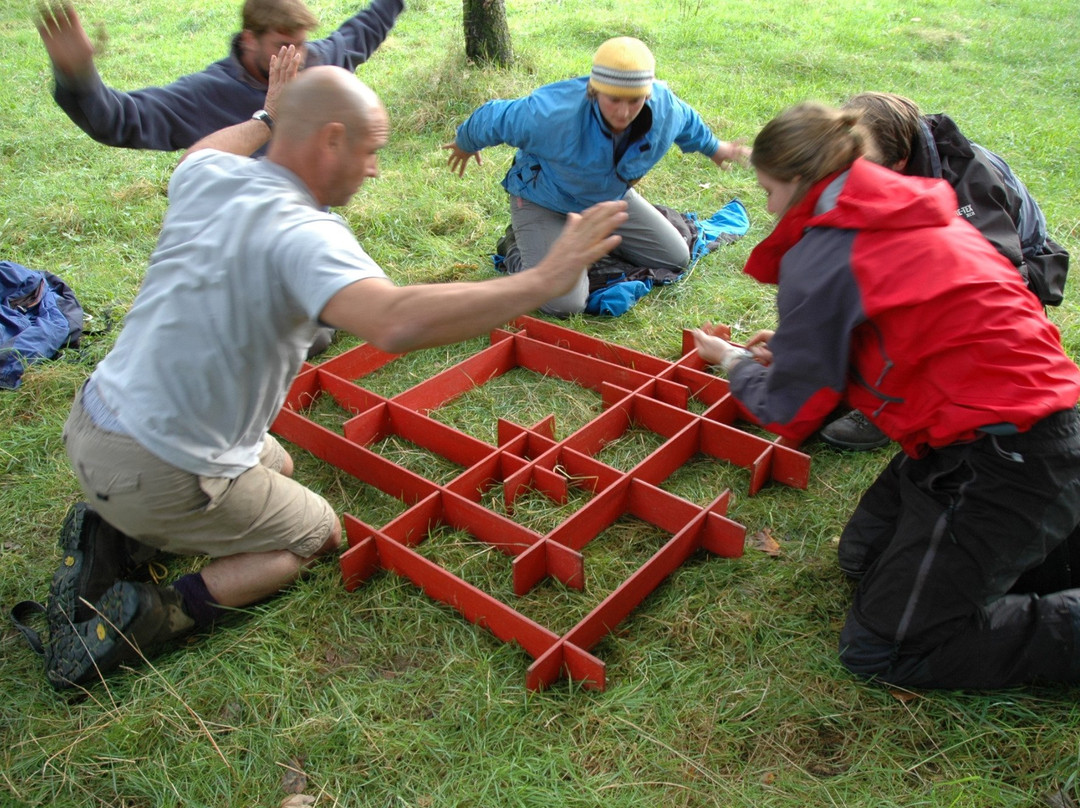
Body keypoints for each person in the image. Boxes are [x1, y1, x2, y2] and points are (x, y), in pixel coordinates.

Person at [45, 55, 629, 690]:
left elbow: (204, 148)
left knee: (282, 465)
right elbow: (395, 320)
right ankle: (150, 615)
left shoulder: (211, 175)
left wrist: (268, 113)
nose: (375, 167)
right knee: (311, 537)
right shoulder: (306, 234)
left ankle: (121, 530)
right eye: (371, 149)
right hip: (163, 464)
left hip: (95, 421)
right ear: (330, 140)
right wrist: (541, 278)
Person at [693, 102, 1080, 689]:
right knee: (861, 558)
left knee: (882, 649)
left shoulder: (823, 252)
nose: (769, 206)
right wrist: (803, 346)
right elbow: (895, 323)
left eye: (769, 190)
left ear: (801, 182)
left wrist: (736, 364)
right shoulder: (902, 202)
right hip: (978, 428)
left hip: (1012, 452)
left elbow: (793, 411)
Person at [820, 91, 1071, 451]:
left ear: (901, 160)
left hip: (1014, 280)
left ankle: (888, 406)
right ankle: (856, 383)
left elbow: (995, 283)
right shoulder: (877, 158)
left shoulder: (968, 181)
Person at [442, 36, 748, 317]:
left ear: (648, 93)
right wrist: (465, 143)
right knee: (564, 304)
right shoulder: (551, 113)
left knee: (674, 257)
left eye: (634, 100)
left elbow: (688, 123)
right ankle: (517, 244)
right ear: (594, 89)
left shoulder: (664, 107)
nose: (624, 112)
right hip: (544, 199)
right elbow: (494, 117)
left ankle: (584, 243)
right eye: (613, 98)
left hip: (605, 200)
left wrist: (714, 147)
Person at [35, 0, 404, 152]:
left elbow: (364, 29)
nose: (295, 56)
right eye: (282, 45)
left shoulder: (314, 65)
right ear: (249, 40)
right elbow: (120, 119)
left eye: (301, 44)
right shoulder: (206, 95)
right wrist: (78, 74)